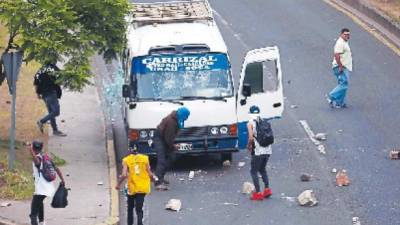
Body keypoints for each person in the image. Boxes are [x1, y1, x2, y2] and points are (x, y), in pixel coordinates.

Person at [115, 147, 156, 225]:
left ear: (129, 151)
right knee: (139, 208)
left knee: (130, 208)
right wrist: (153, 180)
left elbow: (123, 175)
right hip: (142, 187)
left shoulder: (126, 160)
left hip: (132, 187)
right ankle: (140, 223)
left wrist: (118, 184)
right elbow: (150, 173)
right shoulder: (145, 159)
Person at [28, 140, 65, 225]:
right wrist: (63, 180)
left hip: (41, 189)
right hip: (48, 188)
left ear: (33, 148)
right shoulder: (46, 157)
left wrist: (30, 150)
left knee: (33, 214)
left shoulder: (37, 160)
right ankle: (41, 222)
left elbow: (35, 159)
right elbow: (57, 169)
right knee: (40, 203)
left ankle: (37, 222)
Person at [153, 107, 190, 190]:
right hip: (159, 138)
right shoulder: (171, 122)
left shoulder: (176, 119)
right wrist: (173, 146)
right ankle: (157, 182)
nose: (187, 119)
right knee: (162, 160)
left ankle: (160, 177)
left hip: (164, 139)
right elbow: (168, 139)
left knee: (172, 157)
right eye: (186, 116)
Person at [246, 105, 272, 201]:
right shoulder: (264, 122)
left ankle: (258, 193)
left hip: (258, 151)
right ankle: (267, 189)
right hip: (268, 150)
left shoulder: (250, 123)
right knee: (262, 169)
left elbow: (251, 137)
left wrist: (248, 146)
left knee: (253, 171)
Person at [34, 63, 67, 136]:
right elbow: (61, 78)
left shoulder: (40, 70)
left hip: (44, 95)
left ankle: (55, 130)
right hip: (51, 93)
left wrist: (37, 94)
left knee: (51, 113)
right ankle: (41, 121)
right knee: (56, 112)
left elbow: (36, 82)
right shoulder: (53, 68)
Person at [327, 28, 353, 108]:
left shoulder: (344, 42)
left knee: (342, 84)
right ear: (341, 34)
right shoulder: (340, 43)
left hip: (344, 66)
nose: (347, 36)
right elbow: (337, 55)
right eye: (345, 34)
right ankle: (331, 96)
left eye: (348, 34)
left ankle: (339, 103)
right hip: (340, 66)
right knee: (344, 84)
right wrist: (341, 66)